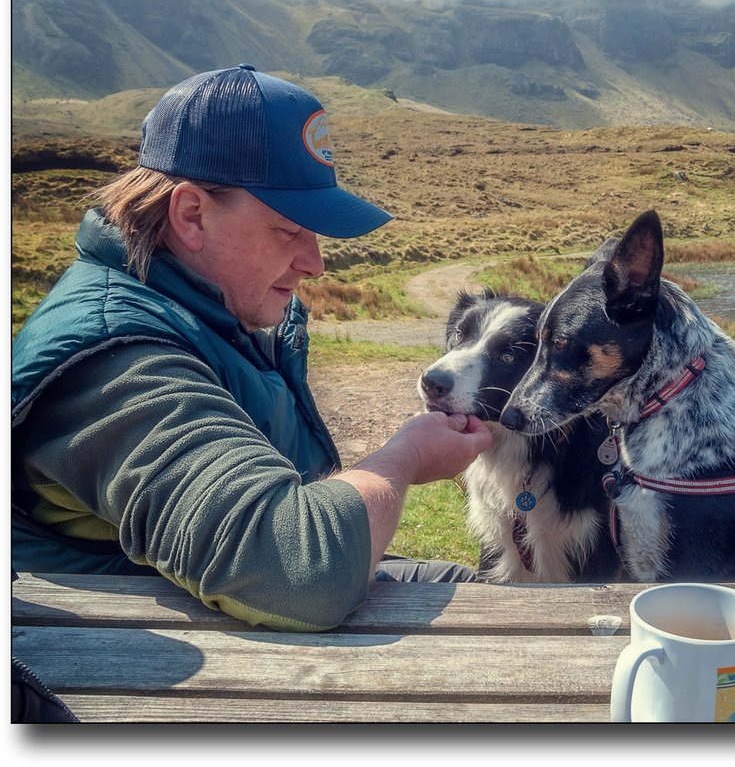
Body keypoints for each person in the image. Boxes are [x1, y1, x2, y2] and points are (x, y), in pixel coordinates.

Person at [10, 64, 493, 631]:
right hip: (129, 651)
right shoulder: (116, 359)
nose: (314, 263)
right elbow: (298, 570)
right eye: (289, 230)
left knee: (475, 592)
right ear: (191, 215)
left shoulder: (200, 310)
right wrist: (405, 457)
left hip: (194, 606)